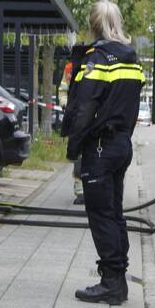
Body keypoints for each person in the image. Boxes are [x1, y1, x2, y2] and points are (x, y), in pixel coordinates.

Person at [62, 0, 144, 305]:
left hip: (99, 146)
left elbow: (84, 108)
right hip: (121, 143)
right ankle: (118, 281)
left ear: (93, 24)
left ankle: (110, 282)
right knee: (115, 213)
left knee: (101, 215)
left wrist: (73, 146)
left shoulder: (98, 59)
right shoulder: (131, 59)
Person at [58, 61, 86, 205]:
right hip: (76, 119)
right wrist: (65, 105)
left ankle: (93, 190)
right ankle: (80, 192)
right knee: (78, 157)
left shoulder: (100, 63)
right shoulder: (71, 67)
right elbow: (63, 89)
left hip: (94, 119)